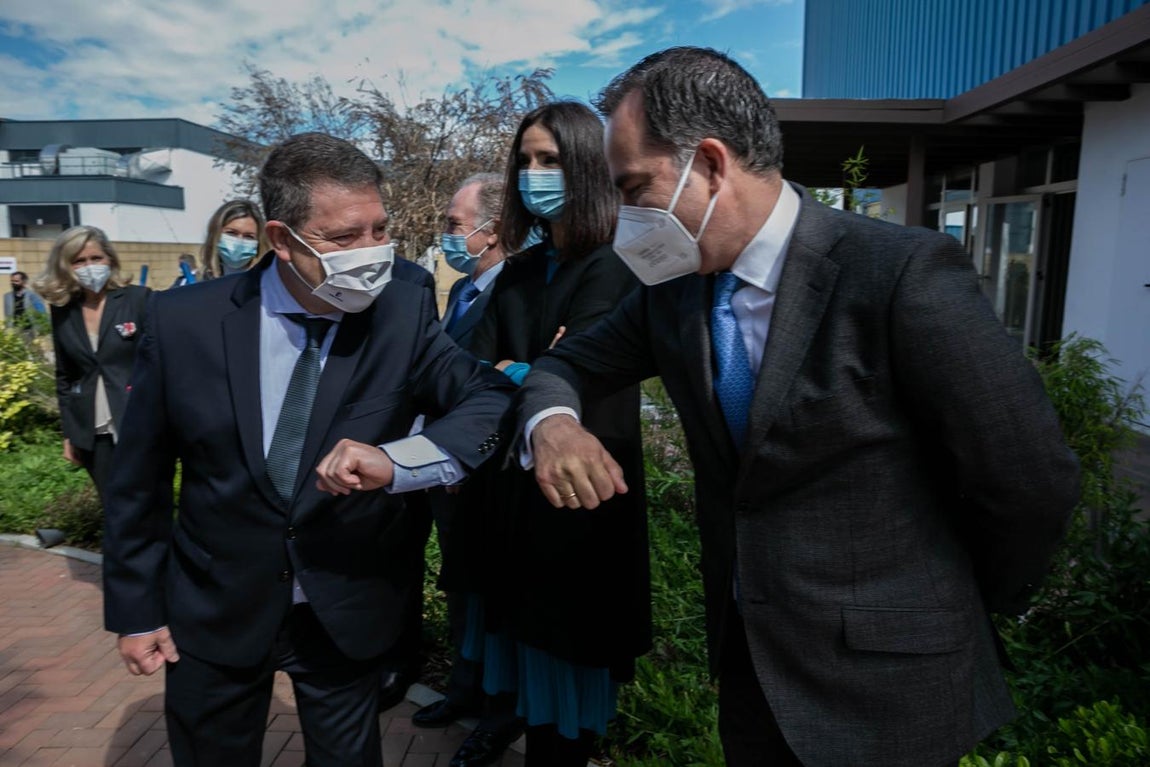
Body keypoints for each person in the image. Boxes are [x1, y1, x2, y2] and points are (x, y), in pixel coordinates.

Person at [516, 47, 1081, 767]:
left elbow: (1027, 476)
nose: (624, 214)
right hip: (753, 675)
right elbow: (565, 364)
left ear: (712, 164)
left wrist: (951, 605)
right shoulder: (671, 292)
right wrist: (555, 422)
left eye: (634, 187)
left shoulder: (899, 273)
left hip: (892, 686)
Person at [101, 132, 516, 767]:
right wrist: (136, 611)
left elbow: (484, 397)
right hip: (216, 608)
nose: (373, 253)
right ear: (282, 239)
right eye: (346, 238)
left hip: (346, 606)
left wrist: (399, 461)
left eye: (381, 229)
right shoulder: (184, 321)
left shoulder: (403, 302)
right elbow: (139, 480)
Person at [465, 101, 650, 767]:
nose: (532, 174)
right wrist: (534, 365)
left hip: (582, 501)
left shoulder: (615, 266)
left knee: (568, 693)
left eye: (549, 160)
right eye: (525, 162)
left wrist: (521, 368)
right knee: (522, 660)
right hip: (513, 495)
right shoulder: (519, 270)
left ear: (587, 167)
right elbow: (470, 371)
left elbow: (581, 375)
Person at [410, 172, 522, 766]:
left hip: (488, 470)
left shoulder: (518, 292)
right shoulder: (461, 290)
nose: (449, 235)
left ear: (492, 229)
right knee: (459, 586)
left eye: (456, 225)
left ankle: (500, 715)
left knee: (493, 595)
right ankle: (463, 689)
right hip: (446, 468)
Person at [31, 226, 150, 501]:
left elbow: (159, 361)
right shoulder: (63, 310)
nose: (89, 267)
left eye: (96, 258)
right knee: (113, 505)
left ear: (110, 259)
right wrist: (69, 434)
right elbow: (65, 375)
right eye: (79, 261)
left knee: (147, 504)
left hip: (137, 423)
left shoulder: (138, 300)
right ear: (67, 266)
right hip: (92, 431)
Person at [199, 199, 267, 280]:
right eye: (231, 233)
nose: (239, 241)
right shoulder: (200, 283)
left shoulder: (267, 283)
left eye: (249, 236)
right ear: (215, 234)